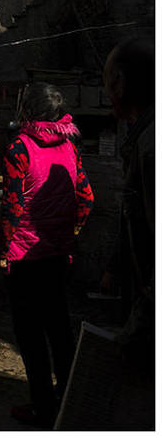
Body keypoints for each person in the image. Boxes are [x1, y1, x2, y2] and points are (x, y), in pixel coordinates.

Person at [0, 83, 94, 428]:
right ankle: (68, 401)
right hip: (57, 254)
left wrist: (1, 249)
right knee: (60, 329)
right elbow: (87, 198)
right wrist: (71, 232)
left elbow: (13, 206)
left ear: (27, 110)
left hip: (24, 257)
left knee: (30, 335)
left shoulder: (20, 147)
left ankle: (42, 408)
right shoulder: (70, 146)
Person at [101, 37, 154, 404]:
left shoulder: (153, 147)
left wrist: (136, 329)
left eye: (107, 83)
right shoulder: (143, 138)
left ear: (119, 82)